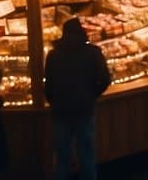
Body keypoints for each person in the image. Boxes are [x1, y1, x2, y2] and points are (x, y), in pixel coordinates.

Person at [44, 17, 112, 180]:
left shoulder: (53, 55)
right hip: (84, 110)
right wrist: (92, 94)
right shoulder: (92, 52)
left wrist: (54, 101)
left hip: (61, 112)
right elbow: (105, 79)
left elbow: (48, 85)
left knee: (62, 158)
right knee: (87, 156)